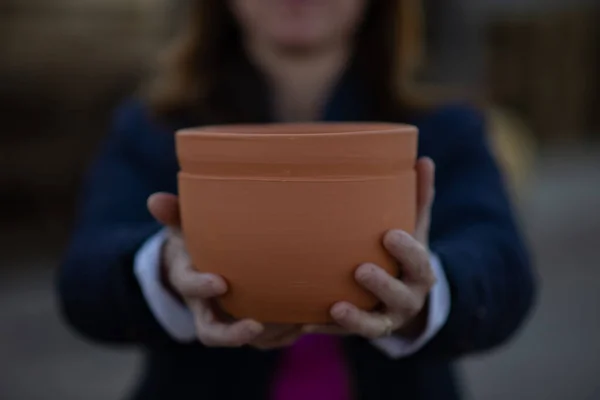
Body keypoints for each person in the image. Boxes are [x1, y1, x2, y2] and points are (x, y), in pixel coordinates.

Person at [57, 1, 537, 399]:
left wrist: (428, 290)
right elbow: (83, 278)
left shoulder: (445, 130)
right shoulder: (154, 128)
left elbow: (503, 268)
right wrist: (165, 270)